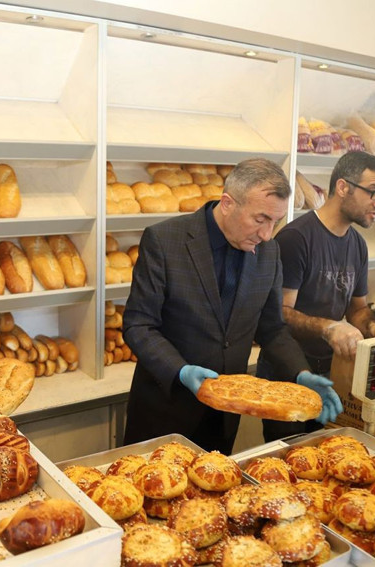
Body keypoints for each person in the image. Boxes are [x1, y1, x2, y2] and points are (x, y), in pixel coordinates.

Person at [122, 158, 342, 455]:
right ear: (227, 203)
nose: (267, 233)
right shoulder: (164, 241)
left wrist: (299, 373)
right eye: (260, 219)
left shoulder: (268, 251)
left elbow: (272, 329)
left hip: (224, 416)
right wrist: (181, 370)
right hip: (165, 408)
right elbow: (138, 325)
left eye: (275, 221)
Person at [258, 150, 375, 441]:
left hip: (331, 373)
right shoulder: (297, 239)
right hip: (289, 374)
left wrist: (373, 328)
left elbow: (357, 308)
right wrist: (328, 327)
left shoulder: (357, 245)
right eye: (373, 192)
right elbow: (280, 312)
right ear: (343, 187)